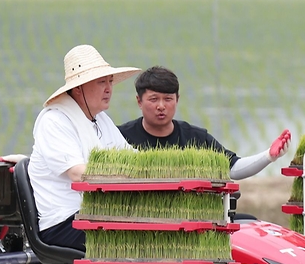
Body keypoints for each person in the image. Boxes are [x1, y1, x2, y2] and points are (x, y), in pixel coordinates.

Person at [27, 45, 167, 264]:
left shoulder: (99, 120)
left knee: (162, 222)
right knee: (117, 228)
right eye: (101, 82)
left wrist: (162, 170)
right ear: (78, 89)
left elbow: (130, 157)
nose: (109, 88)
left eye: (109, 82)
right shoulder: (54, 121)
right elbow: (78, 172)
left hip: (95, 212)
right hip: (64, 221)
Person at [119, 66, 292, 180]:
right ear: (139, 101)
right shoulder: (121, 137)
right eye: (154, 99)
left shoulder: (196, 138)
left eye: (168, 99)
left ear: (177, 100)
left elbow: (232, 168)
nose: (161, 106)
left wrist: (269, 156)